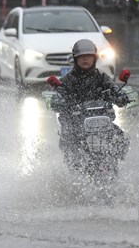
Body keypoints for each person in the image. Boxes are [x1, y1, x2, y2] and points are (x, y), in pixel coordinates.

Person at [52, 39, 130, 167]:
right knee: (70, 142)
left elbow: (114, 88)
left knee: (121, 139)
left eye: (88, 56)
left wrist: (120, 96)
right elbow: (59, 95)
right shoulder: (67, 80)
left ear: (94, 58)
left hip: (100, 120)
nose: (85, 59)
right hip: (76, 121)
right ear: (75, 59)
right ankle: (73, 170)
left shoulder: (101, 76)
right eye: (81, 57)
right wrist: (61, 102)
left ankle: (115, 162)